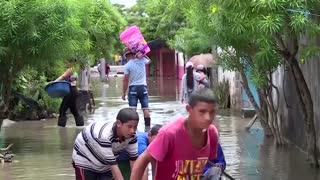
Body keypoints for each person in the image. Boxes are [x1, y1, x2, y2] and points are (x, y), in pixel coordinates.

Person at [130, 88, 219, 180]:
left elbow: (208, 162)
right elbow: (143, 160)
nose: (208, 118)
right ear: (189, 109)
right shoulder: (170, 133)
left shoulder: (212, 134)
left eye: (212, 112)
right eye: (202, 111)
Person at [72, 108, 139, 180]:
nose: (132, 131)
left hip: (105, 163)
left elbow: (134, 161)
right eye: (129, 126)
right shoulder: (105, 136)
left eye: (135, 127)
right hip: (85, 159)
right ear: (118, 123)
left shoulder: (132, 136)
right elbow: (113, 166)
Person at [122, 48, 152, 127]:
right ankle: (148, 128)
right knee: (145, 109)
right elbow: (149, 61)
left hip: (133, 89)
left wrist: (123, 93)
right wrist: (143, 54)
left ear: (127, 56)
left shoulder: (127, 66)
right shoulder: (142, 60)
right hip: (143, 88)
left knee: (133, 110)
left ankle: (133, 129)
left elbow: (125, 80)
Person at [55, 58, 84, 127]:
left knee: (62, 109)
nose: (65, 63)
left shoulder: (70, 69)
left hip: (70, 91)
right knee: (75, 110)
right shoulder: (75, 71)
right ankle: (80, 126)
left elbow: (63, 76)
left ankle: (61, 128)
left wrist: (54, 82)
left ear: (70, 62)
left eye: (66, 62)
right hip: (75, 91)